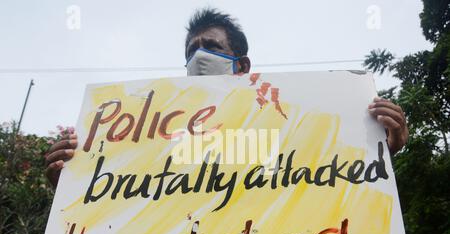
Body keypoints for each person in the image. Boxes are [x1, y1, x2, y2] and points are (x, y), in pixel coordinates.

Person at [45, 8, 409, 188]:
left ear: (242, 63)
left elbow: (320, 172)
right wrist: (74, 182)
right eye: (191, 51)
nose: (198, 58)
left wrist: (379, 152)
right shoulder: (157, 132)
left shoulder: (283, 119)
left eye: (211, 47)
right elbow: (132, 184)